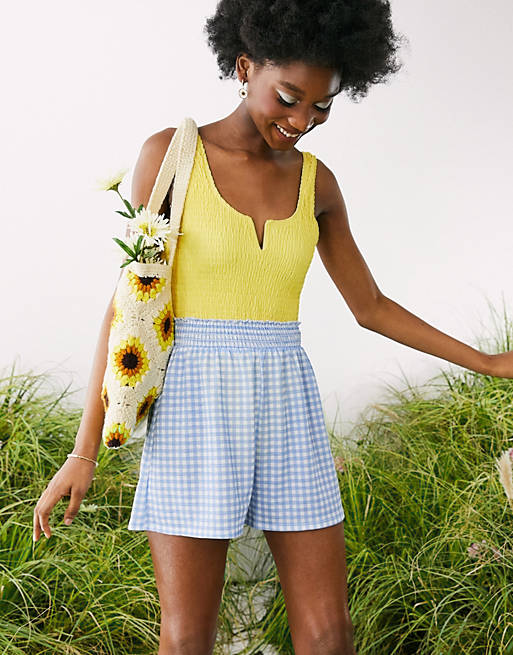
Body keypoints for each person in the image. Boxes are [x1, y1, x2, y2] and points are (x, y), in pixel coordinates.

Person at [34, 1, 498, 653]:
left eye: (322, 107)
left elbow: (370, 305)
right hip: (193, 405)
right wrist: (82, 452)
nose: (301, 121)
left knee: (329, 633)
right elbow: (127, 308)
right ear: (245, 67)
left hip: (287, 403)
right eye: (288, 98)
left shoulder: (317, 184)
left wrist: (489, 362)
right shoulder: (171, 156)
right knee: (187, 637)